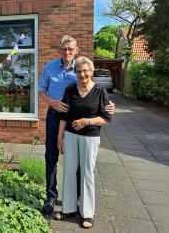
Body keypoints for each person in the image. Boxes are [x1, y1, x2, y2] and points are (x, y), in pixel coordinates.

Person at [38, 35, 114, 215]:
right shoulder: (49, 67)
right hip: (55, 116)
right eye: (64, 49)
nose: (67, 52)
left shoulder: (80, 68)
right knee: (51, 156)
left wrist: (109, 105)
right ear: (59, 50)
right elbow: (41, 90)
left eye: (71, 49)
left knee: (78, 160)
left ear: (76, 50)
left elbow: (94, 90)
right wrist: (53, 102)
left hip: (76, 121)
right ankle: (51, 196)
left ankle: (79, 198)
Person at [56, 56, 111, 229]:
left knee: (87, 173)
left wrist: (85, 122)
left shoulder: (100, 90)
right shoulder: (70, 90)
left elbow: (106, 118)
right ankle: (69, 208)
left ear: (91, 71)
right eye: (79, 71)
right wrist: (60, 137)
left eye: (85, 71)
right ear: (75, 73)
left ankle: (87, 213)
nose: (82, 74)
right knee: (69, 171)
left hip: (90, 136)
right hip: (70, 136)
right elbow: (64, 115)